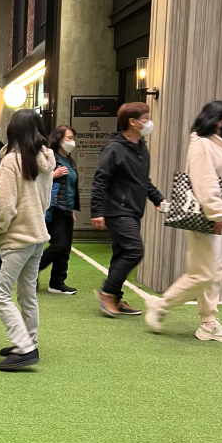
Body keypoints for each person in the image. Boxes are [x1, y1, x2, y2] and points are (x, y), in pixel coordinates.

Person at [146, 101, 222, 341]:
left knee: (214, 273)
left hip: (214, 217)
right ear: (217, 121)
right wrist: (217, 215)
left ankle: (208, 323)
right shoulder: (203, 145)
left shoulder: (216, 145)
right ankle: (162, 305)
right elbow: (204, 183)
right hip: (207, 218)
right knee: (203, 274)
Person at [0, 109, 53, 370]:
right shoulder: (46, 160)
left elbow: (5, 209)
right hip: (37, 235)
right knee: (27, 294)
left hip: (16, 238)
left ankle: (24, 347)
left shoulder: (11, 162)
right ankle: (29, 342)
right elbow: (46, 201)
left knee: (0, 294)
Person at [90, 102, 168, 318]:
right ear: (132, 122)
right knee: (134, 250)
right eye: (145, 118)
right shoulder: (114, 149)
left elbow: (142, 180)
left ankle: (114, 297)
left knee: (121, 253)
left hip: (133, 210)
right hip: (117, 210)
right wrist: (96, 210)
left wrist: (157, 198)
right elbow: (100, 180)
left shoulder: (141, 147)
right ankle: (107, 292)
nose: (149, 122)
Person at [39, 125, 79, 295]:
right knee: (58, 245)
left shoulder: (70, 160)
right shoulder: (49, 157)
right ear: (59, 139)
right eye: (68, 138)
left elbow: (72, 187)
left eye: (72, 138)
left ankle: (57, 282)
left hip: (67, 209)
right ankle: (31, 271)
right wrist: (53, 175)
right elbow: (36, 179)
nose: (72, 141)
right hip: (53, 208)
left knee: (65, 249)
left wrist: (73, 210)